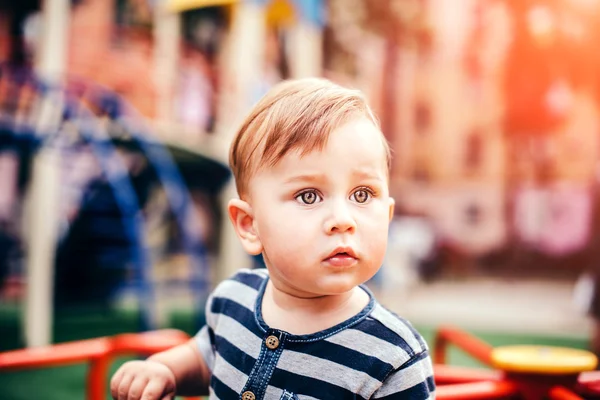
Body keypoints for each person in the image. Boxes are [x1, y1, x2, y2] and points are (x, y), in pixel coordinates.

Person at [110, 78, 435, 399]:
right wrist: (165, 370)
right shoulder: (234, 299)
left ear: (388, 215)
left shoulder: (393, 357)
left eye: (362, 194)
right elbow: (205, 356)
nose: (343, 220)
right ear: (250, 226)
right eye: (309, 196)